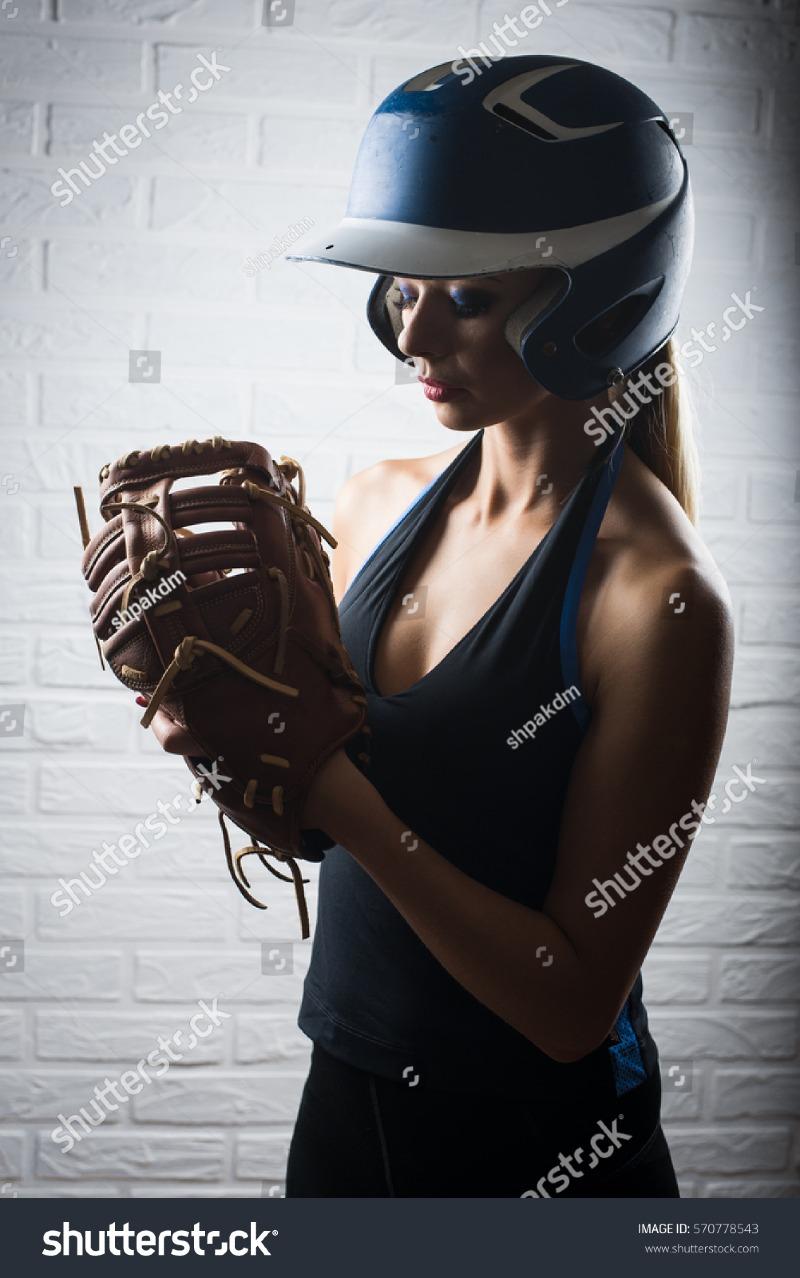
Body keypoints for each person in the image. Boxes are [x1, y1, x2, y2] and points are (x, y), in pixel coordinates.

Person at [147, 55, 734, 1197]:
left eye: (465, 297)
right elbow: (335, 815)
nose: (413, 337)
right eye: (402, 288)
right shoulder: (372, 503)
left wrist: (340, 803)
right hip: (343, 1108)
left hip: (543, 1155)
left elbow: (569, 1008)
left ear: (600, 295)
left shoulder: (653, 601)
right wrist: (237, 749)